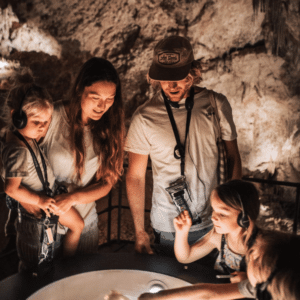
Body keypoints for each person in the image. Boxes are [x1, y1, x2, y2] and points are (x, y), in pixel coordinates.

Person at [125, 35, 242, 256]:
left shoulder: (216, 104)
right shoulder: (144, 117)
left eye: (178, 77)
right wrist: (140, 231)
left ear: (192, 73)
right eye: (165, 78)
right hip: (168, 226)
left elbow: (233, 157)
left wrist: (232, 213)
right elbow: (135, 177)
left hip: (214, 223)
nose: (172, 85)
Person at [36, 57, 124, 253]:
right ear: (79, 90)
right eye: (96, 97)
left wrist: (72, 198)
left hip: (85, 224)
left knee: (82, 281)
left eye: (109, 99)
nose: (103, 106)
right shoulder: (53, 116)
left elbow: (106, 184)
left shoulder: (109, 128)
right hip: (45, 224)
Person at [0, 72, 85, 273]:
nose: (42, 128)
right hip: (44, 202)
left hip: (48, 196)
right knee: (76, 227)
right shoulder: (18, 151)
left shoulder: (22, 140)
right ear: (17, 117)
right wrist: (39, 201)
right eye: (37, 122)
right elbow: (11, 189)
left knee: (73, 228)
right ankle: (67, 268)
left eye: (46, 122)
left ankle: (61, 266)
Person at [138, 228, 300, 300]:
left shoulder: (265, 284)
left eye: (253, 255)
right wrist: (157, 298)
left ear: (263, 269)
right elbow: (210, 293)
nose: (248, 257)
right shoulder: (264, 285)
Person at [174, 180, 260, 280]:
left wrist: (249, 282)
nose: (213, 217)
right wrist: (182, 232)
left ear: (244, 218)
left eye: (222, 214)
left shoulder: (261, 247)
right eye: (213, 210)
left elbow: (274, 286)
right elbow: (185, 257)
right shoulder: (219, 237)